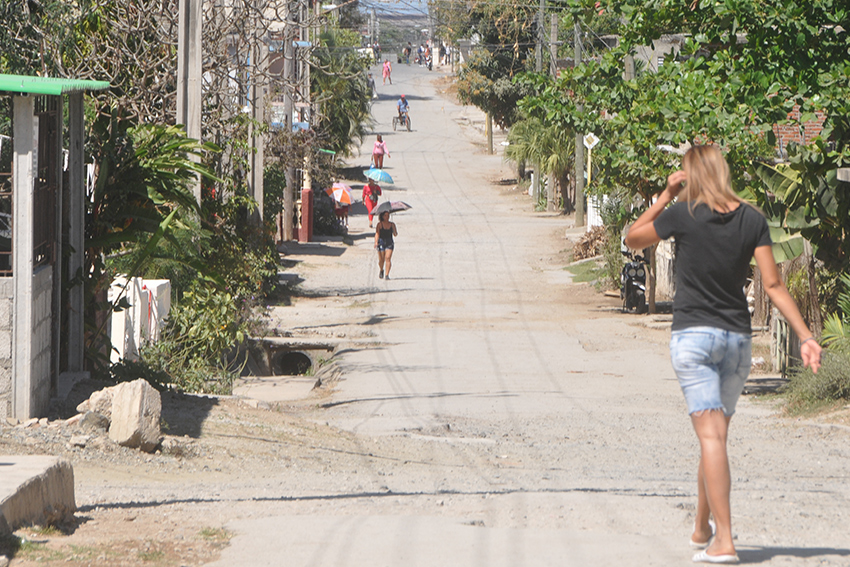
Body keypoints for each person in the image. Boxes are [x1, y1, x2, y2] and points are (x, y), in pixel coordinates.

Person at [624, 145, 822, 565]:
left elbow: (632, 236)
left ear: (691, 174)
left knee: (710, 437)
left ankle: (725, 540)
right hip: (736, 342)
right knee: (714, 435)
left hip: (694, 340)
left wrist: (665, 195)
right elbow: (772, 285)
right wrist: (805, 334)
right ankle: (701, 527)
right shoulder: (752, 218)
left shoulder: (684, 213)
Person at [374, 210, 398, 280]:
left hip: (389, 242)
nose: (387, 217)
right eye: (385, 215)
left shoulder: (392, 224)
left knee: (388, 258)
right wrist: (376, 242)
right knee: (381, 259)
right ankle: (381, 269)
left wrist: (394, 232)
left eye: (388, 215)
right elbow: (377, 233)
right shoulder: (379, 225)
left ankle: (387, 275)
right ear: (382, 216)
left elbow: (395, 234)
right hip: (381, 242)